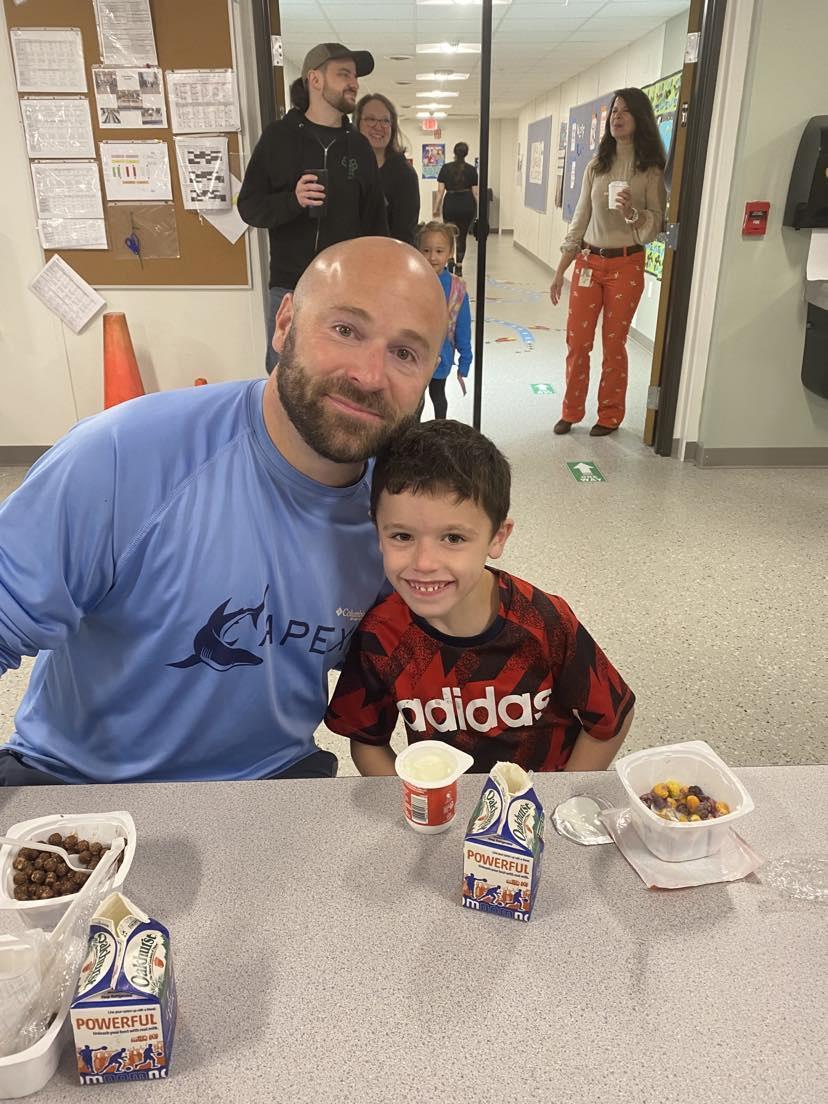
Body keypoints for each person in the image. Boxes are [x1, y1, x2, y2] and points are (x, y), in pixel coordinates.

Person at [0, 238, 448, 787]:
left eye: (405, 353)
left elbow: (431, 655)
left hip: (269, 779)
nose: (370, 374)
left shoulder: (402, 515)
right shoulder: (123, 456)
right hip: (77, 780)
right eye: (346, 330)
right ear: (284, 324)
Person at [325, 419, 636, 775]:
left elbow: (612, 717)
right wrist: (420, 801)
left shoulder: (544, 621)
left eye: (453, 538)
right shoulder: (381, 635)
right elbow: (367, 741)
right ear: (377, 531)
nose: (424, 563)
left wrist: (559, 799)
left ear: (497, 538)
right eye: (401, 536)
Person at [238, 42, 389, 374]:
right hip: (289, 286)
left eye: (355, 76)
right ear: (315, 79)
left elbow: (376, 225)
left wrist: (377, 285)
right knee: (283, 374)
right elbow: (249, 207)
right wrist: (292, 201)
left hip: (346, 288)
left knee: (338, 376)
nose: (354, 83)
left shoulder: (359, 147)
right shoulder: (279, 137)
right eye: (344, 74)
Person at [549, 88, 666, 436]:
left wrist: (631, 213)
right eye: (614, 111)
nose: (617, 117)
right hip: (588, 262)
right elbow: (580, 219)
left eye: (625, 112)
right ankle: (570, 411)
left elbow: (654, 226)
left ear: (640, 119)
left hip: (626, 265)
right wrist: (560, 270)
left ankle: (610, 415)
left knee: (614, 345)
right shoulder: (596, 166)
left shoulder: (650, 171)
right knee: (577, 342)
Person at [416, 221, 471, 419]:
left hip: (442, 357)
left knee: (438, 395)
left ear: (450, 253)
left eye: (439, 251)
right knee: (415, 400)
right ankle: (412, 436)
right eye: (426, 250)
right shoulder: (411, 282)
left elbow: (463, 327)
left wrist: (465, 359)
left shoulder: (457, 288)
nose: (432, 257)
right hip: (414, 357)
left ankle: (441, 430)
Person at [355, 93, 420, 245]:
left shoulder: (404, 175)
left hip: (388, 259)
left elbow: (404, 235)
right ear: (357, 123)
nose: (378, 126)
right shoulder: (346, 167)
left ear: (393, 127)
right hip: (347, 257)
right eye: (370, 119)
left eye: (385, 121)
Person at [436, 142, 478, 278]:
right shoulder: (472, 170)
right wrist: (480, 210)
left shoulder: (446, 168)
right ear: (466, 153)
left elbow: (440, 191)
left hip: (451, 204)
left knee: (449, 235)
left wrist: (436, 207)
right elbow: (476, 193)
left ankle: (450, 260)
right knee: (462, 236)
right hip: (466, 204)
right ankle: (459, 266)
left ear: (454, 152)